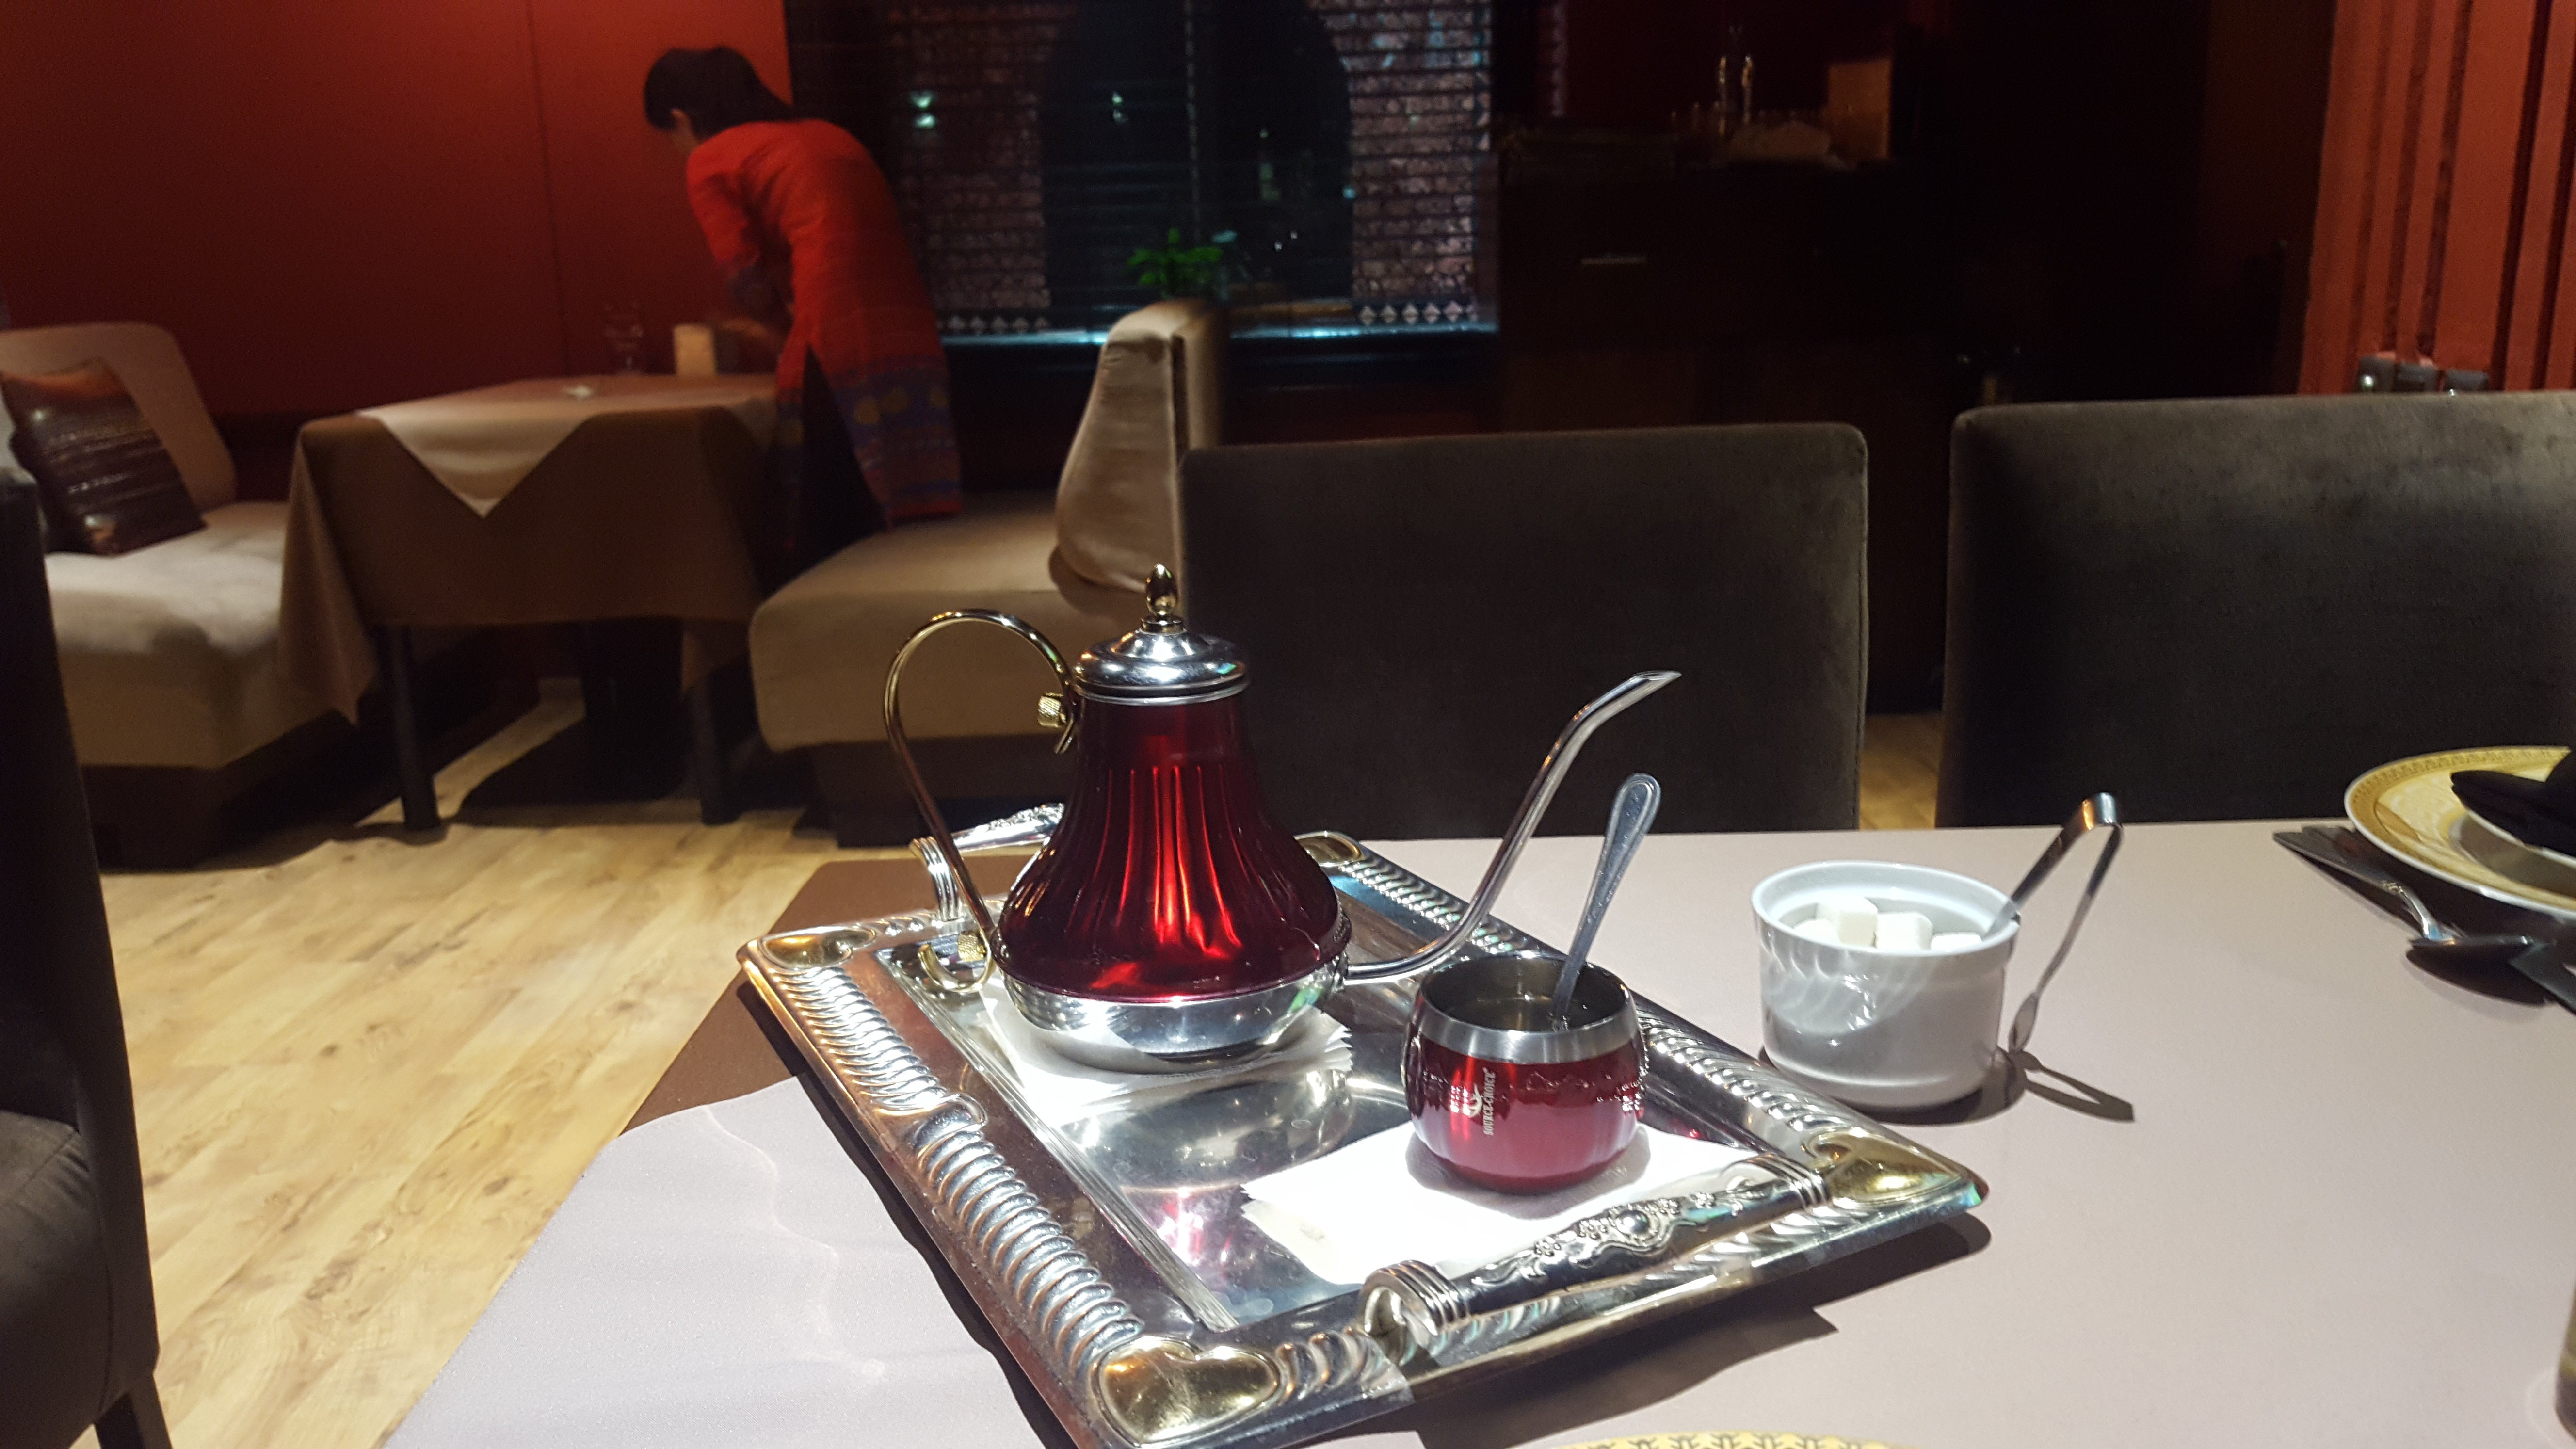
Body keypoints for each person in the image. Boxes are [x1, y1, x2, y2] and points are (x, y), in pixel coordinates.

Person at [646, 46, 960, 581]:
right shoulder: (829, 137)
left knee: (823, 530)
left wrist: (767, 327)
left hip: (838, 334)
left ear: (680, 118)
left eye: (669, 138)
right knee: (904, 521)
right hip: (906, 327)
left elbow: (743, 273)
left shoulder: (713, 157)